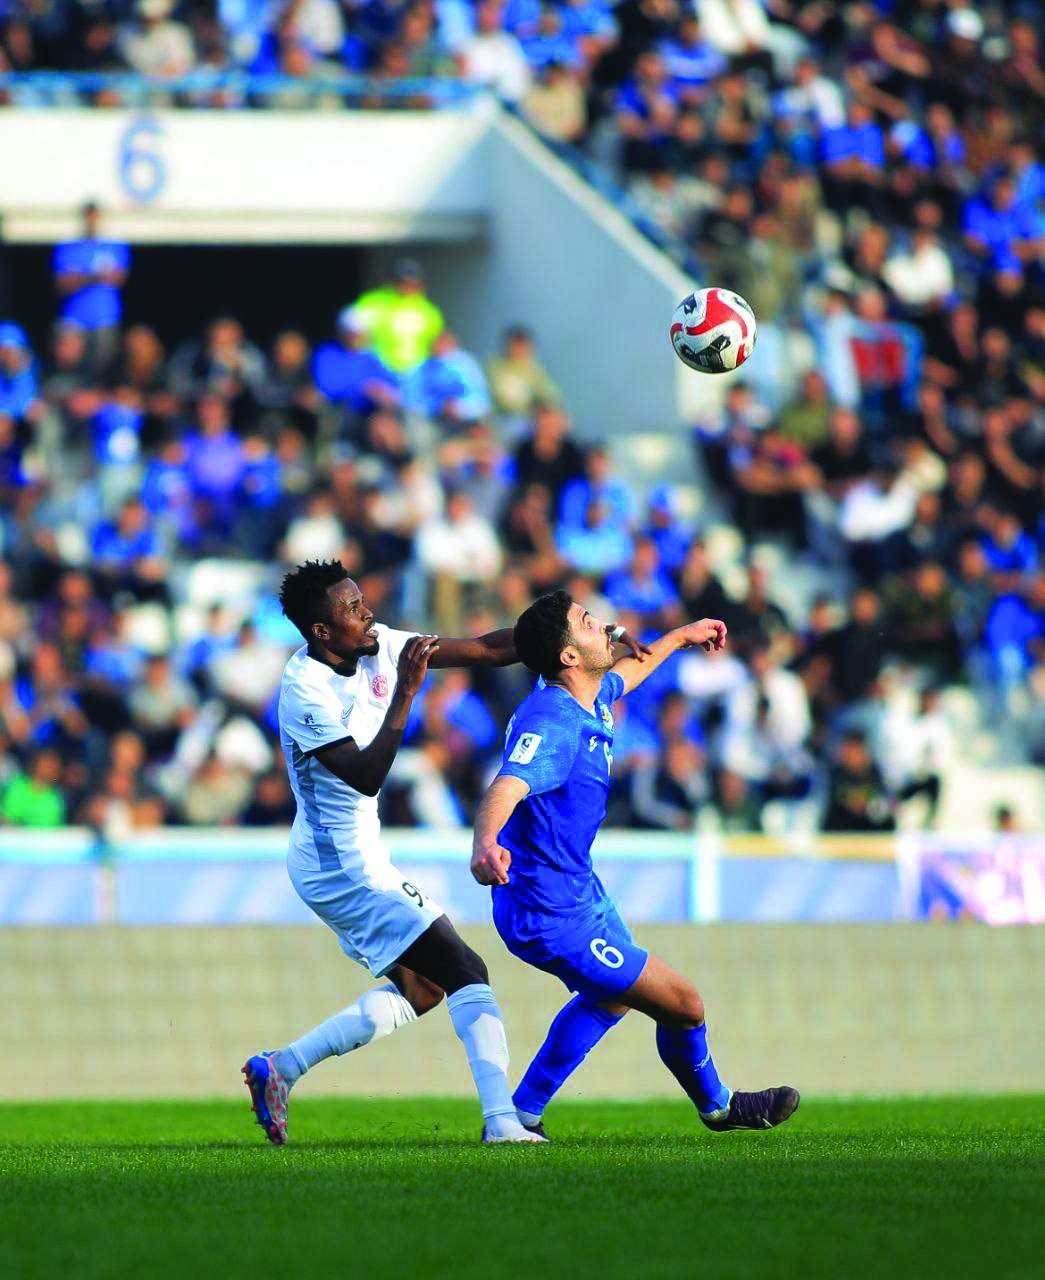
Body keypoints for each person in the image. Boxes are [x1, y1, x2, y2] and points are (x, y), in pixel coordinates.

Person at [242, 560, 649, 1146]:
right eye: (352, 609)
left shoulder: (378, 643)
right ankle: (502, 1122)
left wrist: (588, 644)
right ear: (321, 631)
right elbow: (365, 776)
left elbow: (488, 649)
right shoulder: (304, 690)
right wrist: (407, 693)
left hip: (355, 852)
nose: (368, 613)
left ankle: (282, 1067)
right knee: (466, 970)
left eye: (362, 600)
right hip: (339, 865)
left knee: (424, 988)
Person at [470, 590, 799, 1137]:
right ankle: (719, 1107)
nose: (604, 625)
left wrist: (680, 636)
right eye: (587, 622)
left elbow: (629, 673)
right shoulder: (552, 722)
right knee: (685, 1004)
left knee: (613, 999)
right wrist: (485, 842)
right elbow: (507, 783)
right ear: (568, 656)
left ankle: (521, 1113)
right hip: (547, 909)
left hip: (576, 889)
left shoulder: (587, 696)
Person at [51, 202, 130, 375]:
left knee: (103, 367)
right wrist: (95, 276)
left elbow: (119, 277)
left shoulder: (114, 246)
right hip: (74, 318)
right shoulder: (69, 247)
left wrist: (82, 276)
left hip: (104, 317)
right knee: (69, 368)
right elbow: (64, 282)